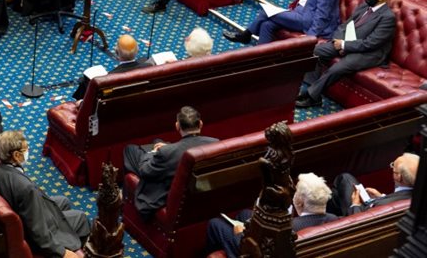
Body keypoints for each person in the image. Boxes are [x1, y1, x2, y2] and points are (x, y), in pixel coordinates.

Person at [0, 130, 90, 258]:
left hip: (16, 211)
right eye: (26, 148)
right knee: (81, 217)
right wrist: (62, 252)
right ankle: (80, 251)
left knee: (63, 201)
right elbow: (38, 231)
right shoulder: (26, 188)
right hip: (28, 230)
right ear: (16, 155)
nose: (28, 151)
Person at [296, 0, 396, 109]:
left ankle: (312, 97)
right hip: (348, 42)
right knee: (316, 50)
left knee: (337, 68)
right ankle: (311, 86)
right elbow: (345, 26)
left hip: (369, 53)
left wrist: (345, 46)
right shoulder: (364, 6)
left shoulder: (387, 17)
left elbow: (371, 43)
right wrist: (339, 41)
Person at [205, 173, 336, 256]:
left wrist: (239, 234)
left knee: (214, 224)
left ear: (300, 202)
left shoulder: (287, 229)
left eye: (295, 193)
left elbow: (259, 252)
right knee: (244, 214)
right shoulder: (335, 219)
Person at [123, 106, 218, 218]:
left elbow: (144, 170)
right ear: (200, 124)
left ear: (177, 126)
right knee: (157, 141)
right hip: (200, 192)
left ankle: (125, 206)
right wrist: (169, 148)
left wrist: (153, 153)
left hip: (167, 194)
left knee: (130, 149)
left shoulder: (168, 153)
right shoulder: (215, 144)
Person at [329, 153, 419, 217]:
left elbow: (359, 224)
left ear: (399, 177)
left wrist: (355, 205)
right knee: (338, 194)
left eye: (393, 167)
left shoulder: (382, 205)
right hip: (377, 207)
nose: (391, 168)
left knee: (344, 179)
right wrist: (382, 197)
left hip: (362, 216)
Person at [71, 34, 151, 101]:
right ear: (137, 50)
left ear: (116, 51)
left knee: (84, 81)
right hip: (143, 104)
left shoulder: (111, 77)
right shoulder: (149, 68)